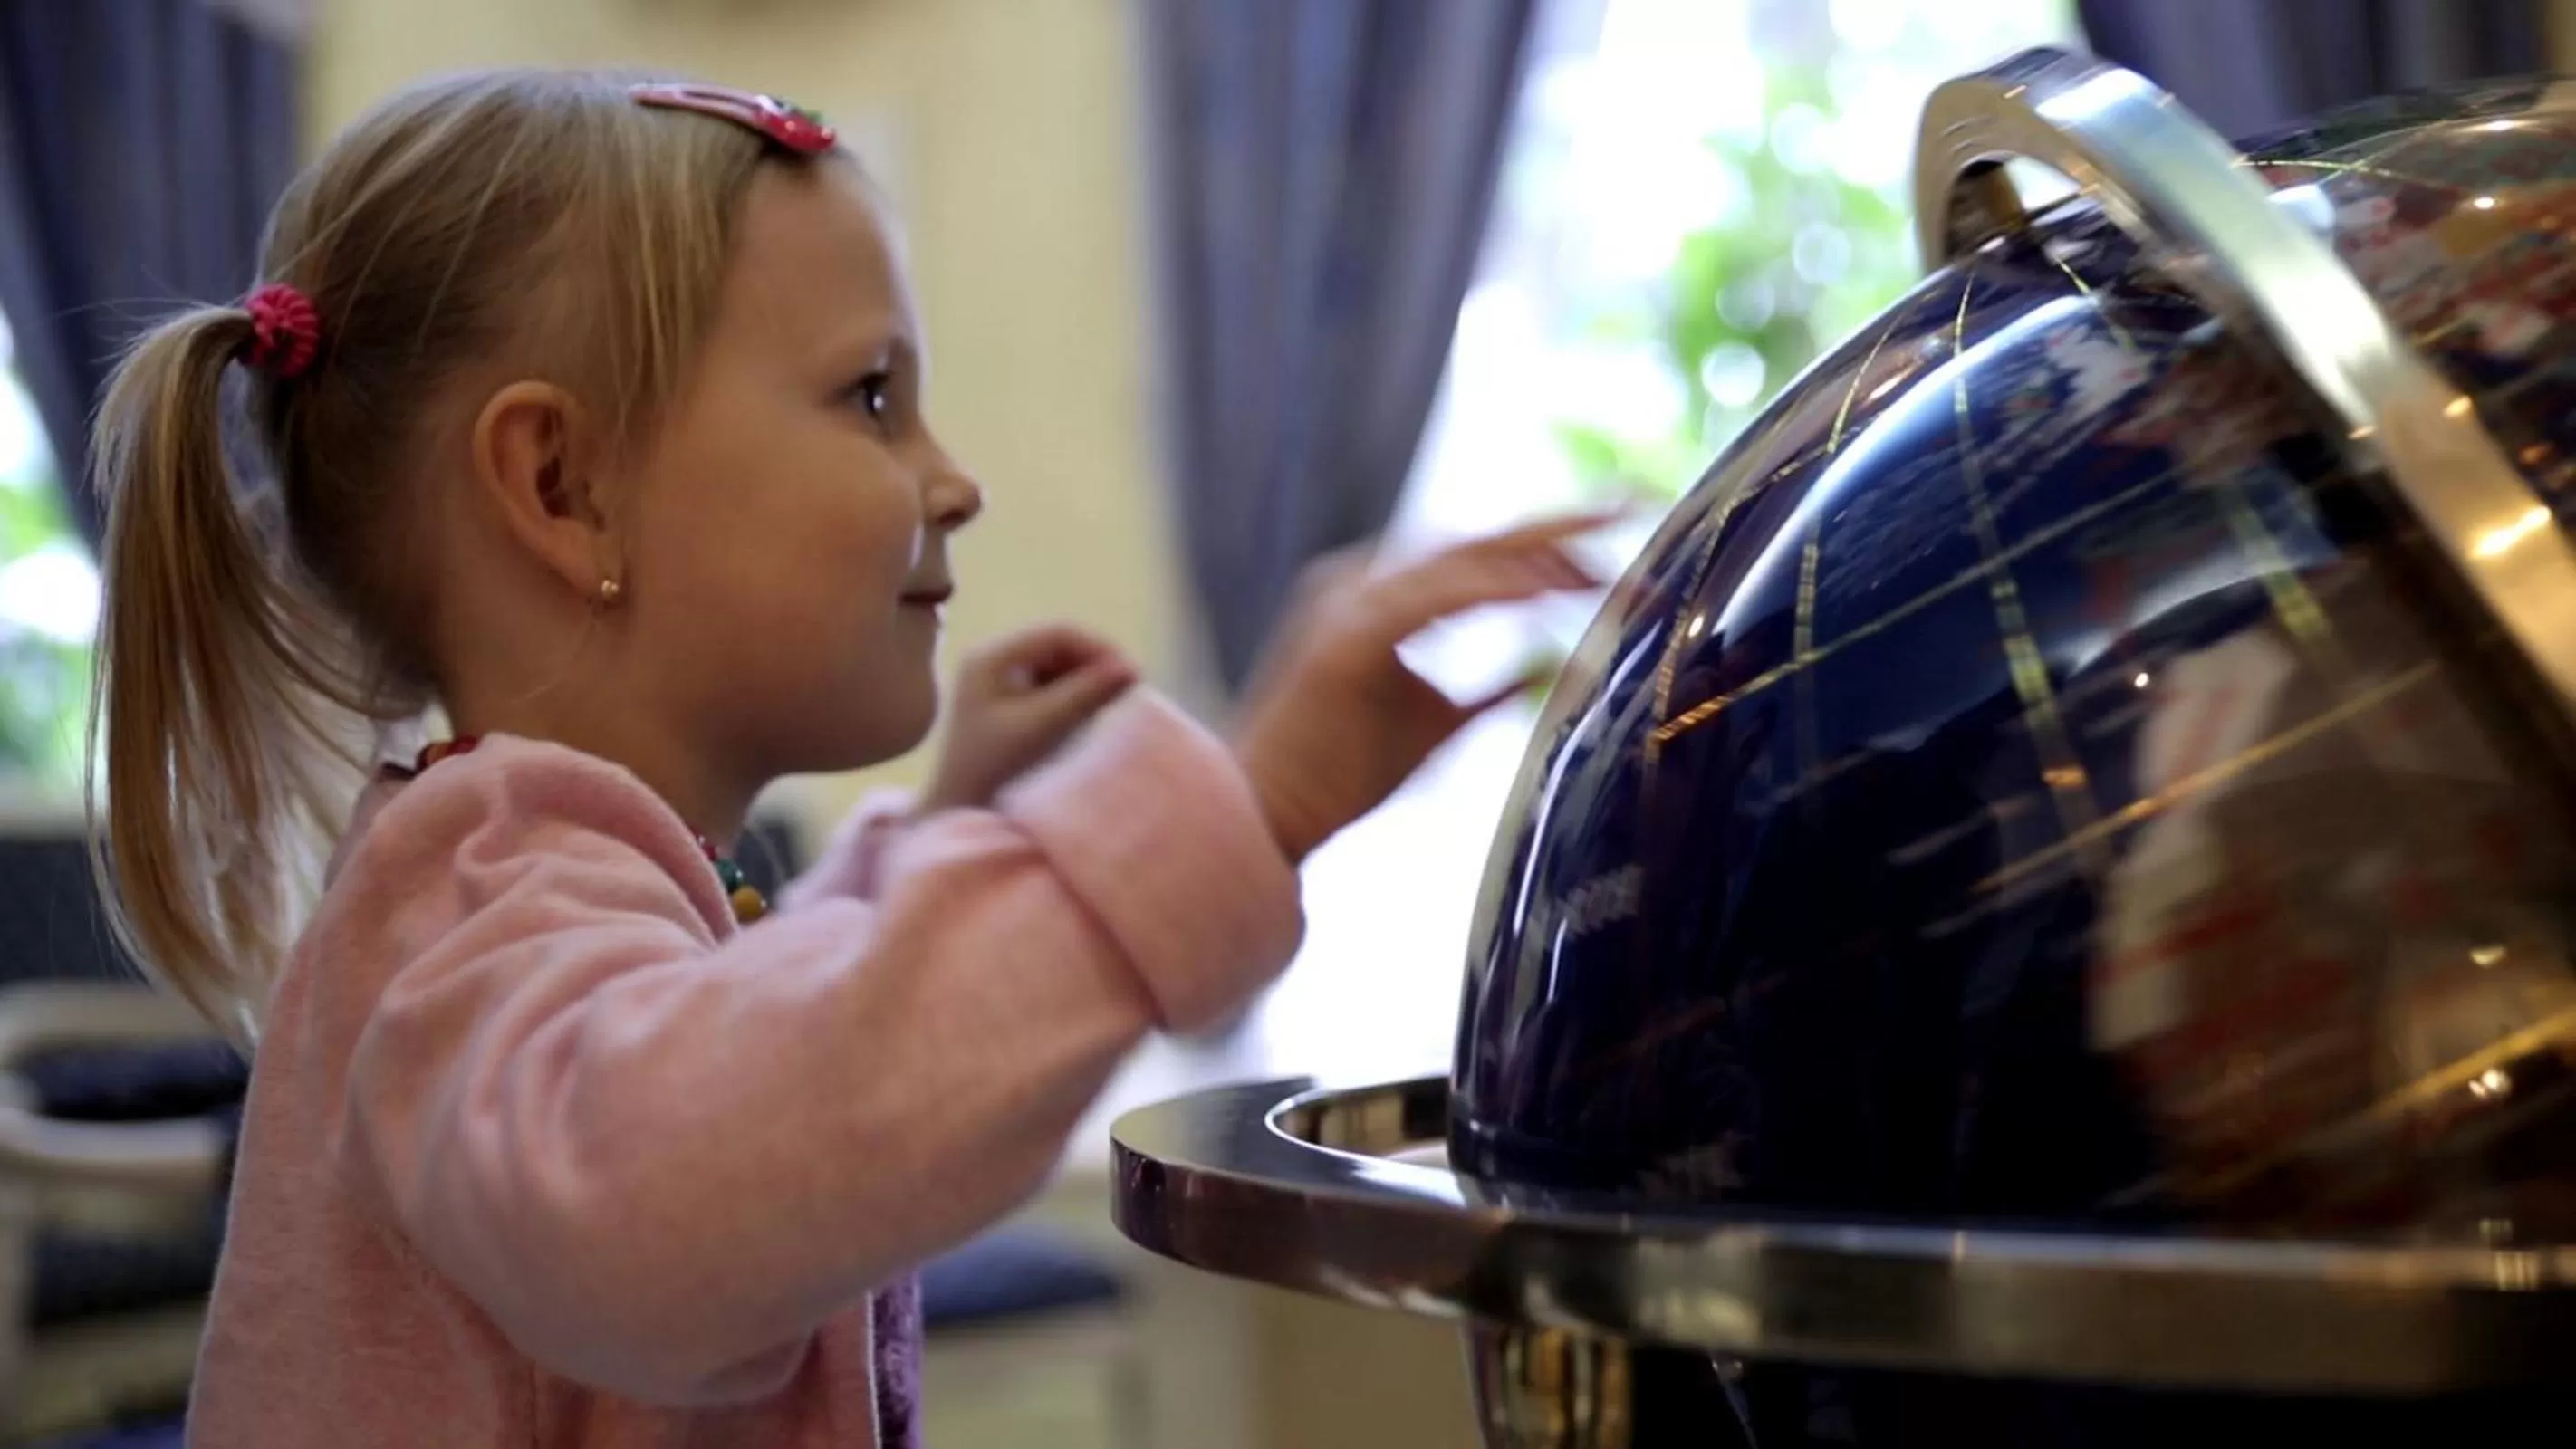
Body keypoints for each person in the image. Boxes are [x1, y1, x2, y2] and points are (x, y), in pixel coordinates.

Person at [84, 69, 1599, 1448]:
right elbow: (670, 1196)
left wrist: (955, 823)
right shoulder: (461, 907)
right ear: (560, 487)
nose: (954, 478)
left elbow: (720, 1052)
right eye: (871, 396)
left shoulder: (527, 887)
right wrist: (1242, 809)